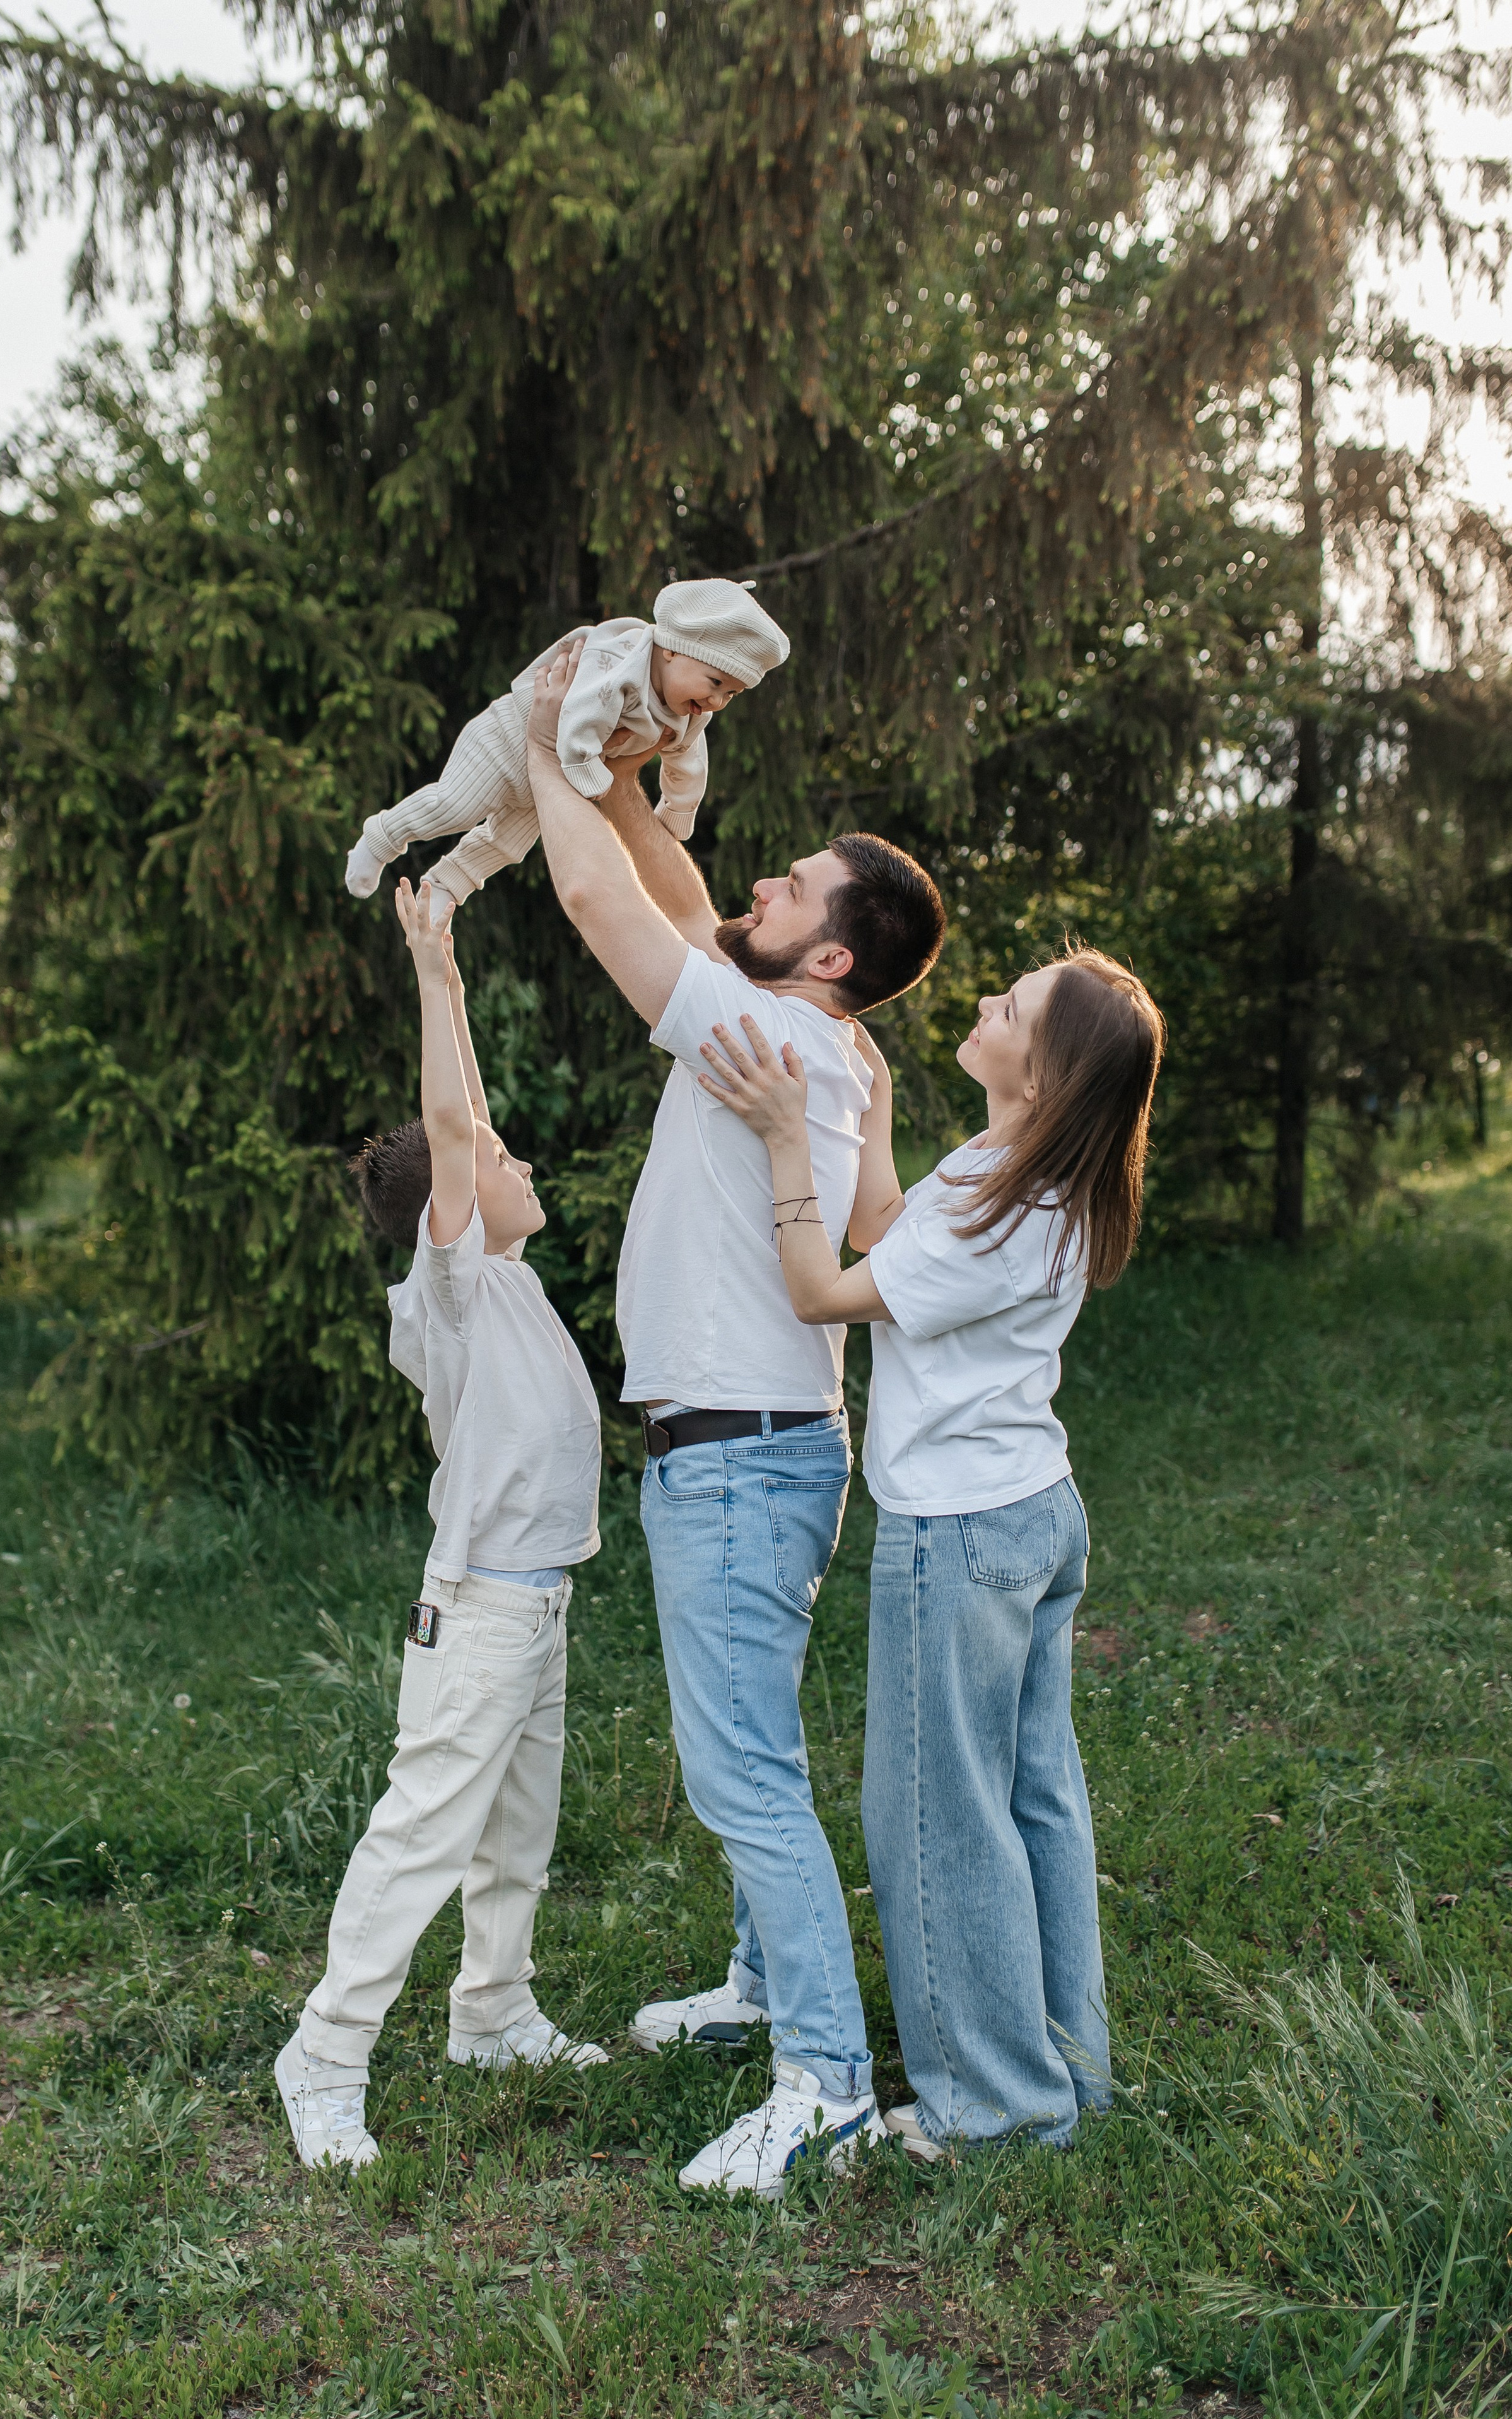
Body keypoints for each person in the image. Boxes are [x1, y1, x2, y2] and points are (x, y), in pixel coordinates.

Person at [522, 637, 946, 2198]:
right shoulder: (805, 1031)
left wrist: (544, 750)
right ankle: (765, 1988)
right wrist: (631, 765)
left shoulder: (758, 1037)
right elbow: (666, 874)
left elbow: (594, 898)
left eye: (782, 893)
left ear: (825, 955)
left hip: (737, 1462)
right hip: (756, 1452)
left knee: (742, 1775)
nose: (746, 894)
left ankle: (821, 2079)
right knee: (753, 1750)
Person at [696, 943, 1164, 2157]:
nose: (983, 1004)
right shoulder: (1031, 1178)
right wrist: (882, 1108)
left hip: (956, 1535)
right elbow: (898, 1229)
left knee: (937, 1818)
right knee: (1034, 1799)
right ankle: (1065, 2063)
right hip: (1034, 1514)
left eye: (1009, 1008)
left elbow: (820, 1289)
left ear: (1044, 1071)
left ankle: (995, 2109)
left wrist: (788, 1134)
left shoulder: (996, 1198)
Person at [275, 881, 606, 2172]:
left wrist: (455, 979)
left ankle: (493, 2011)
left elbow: (467, 1120)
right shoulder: (450, 1291)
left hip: (541, 1602)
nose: (516, 1161)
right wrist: (429, 972)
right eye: (495, 1161)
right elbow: (453, 1128)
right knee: (424, 1834)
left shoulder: (505, 1278)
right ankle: (325, 2052)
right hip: (479, 1610)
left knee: (516, 1833)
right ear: (450, 1210)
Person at [341, 577, 790, 917]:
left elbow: (689, 763)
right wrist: (586, 768)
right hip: (510, 739)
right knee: (456, 806)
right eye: (715, 683)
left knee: (508, 844)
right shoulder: (620, 656)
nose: (715, 702)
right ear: (673, 648)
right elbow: (580, 712)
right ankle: (381, 836)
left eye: (731, 695)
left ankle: (446, 886)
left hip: (556, 776)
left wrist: (678, 810)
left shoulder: (689, 711)